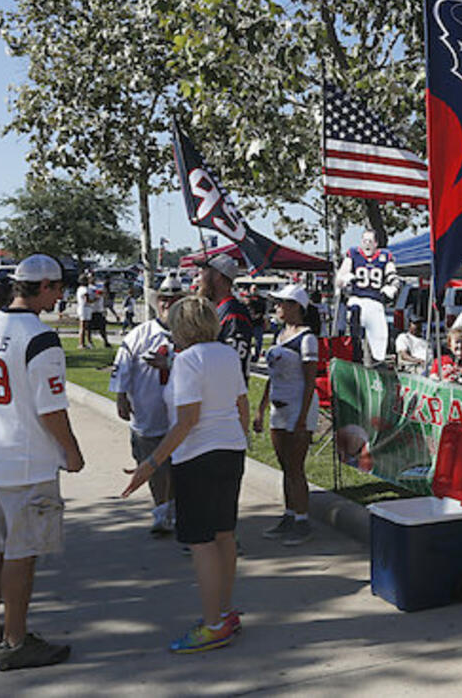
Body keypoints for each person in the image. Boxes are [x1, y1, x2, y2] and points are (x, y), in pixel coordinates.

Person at [0, 253, 83, 671]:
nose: (60, 295)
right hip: (27, 462)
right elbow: (50, 407)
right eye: (58, 287)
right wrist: (72, 450)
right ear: (43, 287)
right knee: (21, 554)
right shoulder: (40, 338)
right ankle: (15, 640)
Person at [121, 295, 248, 654]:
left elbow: (187, 420)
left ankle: (212, 625)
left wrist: (152, 463)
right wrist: (239, 437)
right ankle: (223, 612)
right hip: (230, 452)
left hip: (199, 457)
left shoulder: (189, 360)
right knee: (224, 535)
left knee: (201, 541)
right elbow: (241, 402)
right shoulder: (225, 354)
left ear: (183, 326)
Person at [109, 275, 185, 536]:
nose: (168, 303)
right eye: (164, 298)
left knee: (177, 466)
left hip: (181, 415)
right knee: (153, 465)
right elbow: (122, 368)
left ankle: (174, 507)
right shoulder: (139, 335)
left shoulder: (188, 335)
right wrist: (121, 396)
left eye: (175, 299)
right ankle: (161, 510)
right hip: (148, 412)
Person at [256, 284, 319, 546]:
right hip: (278, 408)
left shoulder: (307, 339)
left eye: (283, 303)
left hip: (297, 407)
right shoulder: (280, 334)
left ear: (297, 307)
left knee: (295, 468)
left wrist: (302, 417)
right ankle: (289, 514)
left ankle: (302, 520)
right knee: (285, 467)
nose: (278, 307)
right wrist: (261, 407)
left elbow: (310, 380)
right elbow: (272, 377)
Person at [334, 229, 399, 363]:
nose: (367, 244)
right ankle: (354, 348)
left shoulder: (384, 256)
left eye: (370, 241)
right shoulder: (353, 254)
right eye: (364, 241)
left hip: (375, 301)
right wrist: (344, 278)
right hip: (356, 298)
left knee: (379, 342)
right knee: (354, 316)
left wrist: (392, 287)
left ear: (376, 243)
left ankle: (376, 362)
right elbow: (340, 277)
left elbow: (393, 276)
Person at [194, 253, 257, 379]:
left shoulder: (234, 313)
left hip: (226, 392)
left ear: (217, 275)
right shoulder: (218, 309)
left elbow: (232, 361)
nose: (198, 279)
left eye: (204, 272)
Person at [75, 273, 94, 349]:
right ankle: (81, 343)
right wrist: (96, 299)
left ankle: (88, 342)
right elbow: (87, 300)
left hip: (86, 308)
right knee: (83, 326)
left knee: (87, 326)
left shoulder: (81, 289)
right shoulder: (84, 290)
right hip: (84, 308)